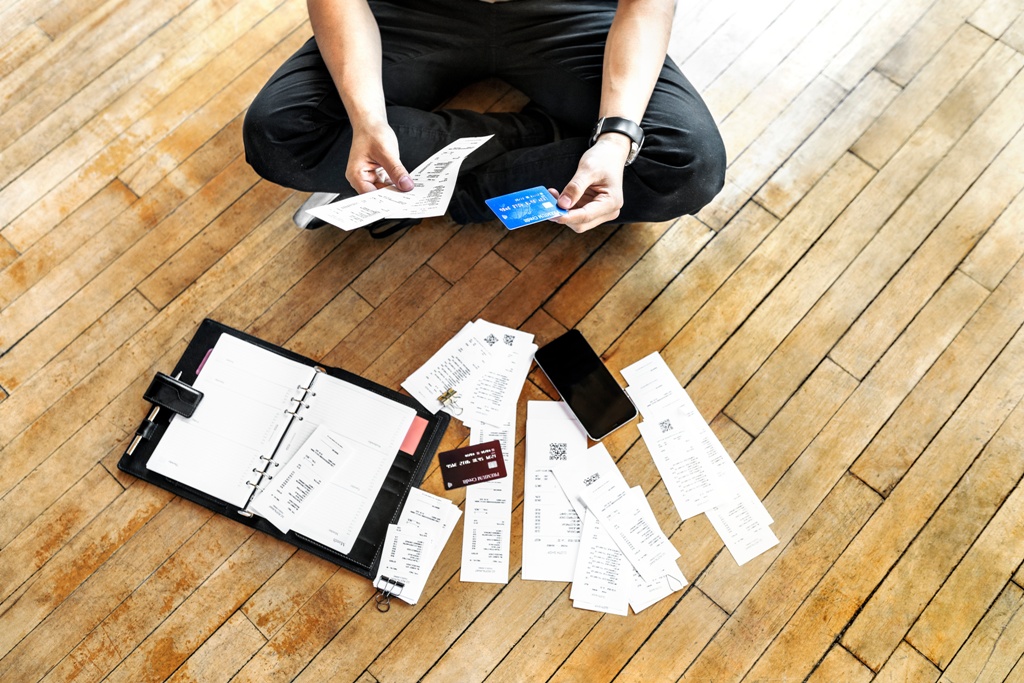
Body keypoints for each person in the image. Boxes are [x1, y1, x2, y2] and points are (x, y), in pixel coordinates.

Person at [243, 0, 726, 236]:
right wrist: (367, 117)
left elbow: (647, 6)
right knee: (278, 136)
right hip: (414, 9)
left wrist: (617, 138)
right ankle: (540, 135)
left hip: (570, 11)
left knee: (688, 167)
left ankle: (433, 196)